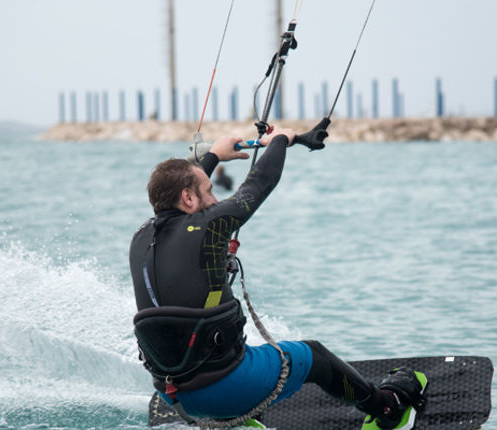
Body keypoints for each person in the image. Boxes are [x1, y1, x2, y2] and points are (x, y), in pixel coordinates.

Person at [129, 129, 424, 429]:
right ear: (188, 197)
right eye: (208, 190)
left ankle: (232, 418)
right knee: (314, 356)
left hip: (173, 394)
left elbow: (178, 195)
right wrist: (282, 139)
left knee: (231, 349)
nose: (215, 199)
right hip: (221, 389)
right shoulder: (210, 226)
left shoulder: (140, 238)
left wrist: (215, 154)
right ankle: (388, 410)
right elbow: (258, 184)